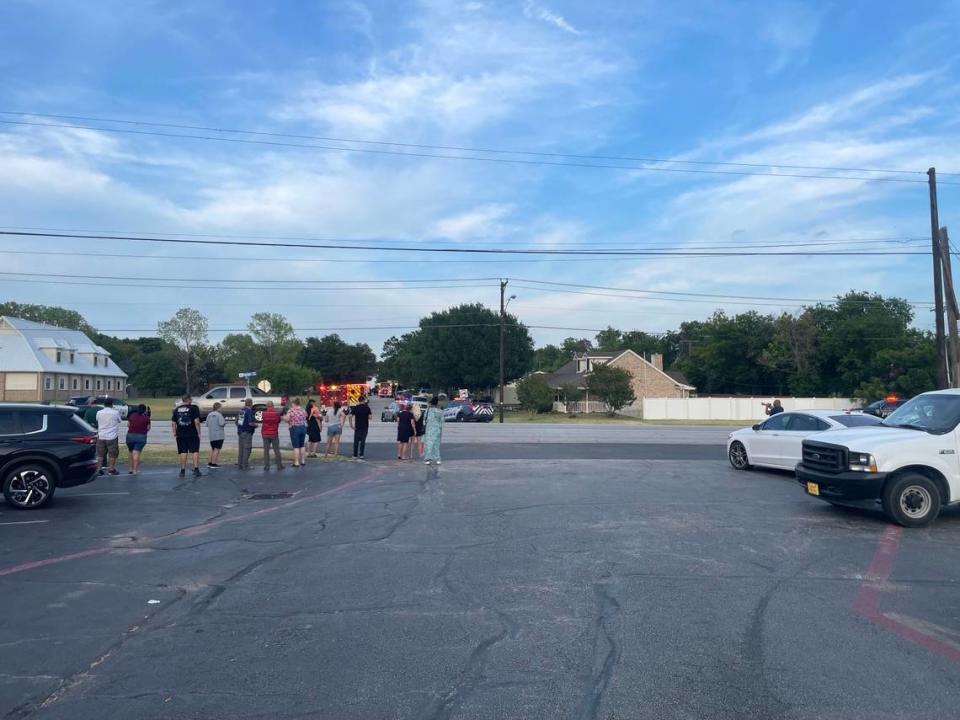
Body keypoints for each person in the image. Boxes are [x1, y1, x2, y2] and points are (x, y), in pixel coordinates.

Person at [171, 394, 202, 478]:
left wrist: (174, 432)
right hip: (192, 433)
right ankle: (196, 469)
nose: (191, 400)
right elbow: (197, 422)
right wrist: (199, 432)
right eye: (191, 399)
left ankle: (182, 471)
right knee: (195, 451)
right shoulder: (194, 408)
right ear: (188, 400)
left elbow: (173, 423)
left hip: (180, 434)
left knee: (183, 452)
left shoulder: (176, 409)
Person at [95, 398, 122, 476]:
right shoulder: (115, 412)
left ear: (104, 404)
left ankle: (98, 469)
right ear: (112, 404)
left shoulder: (99, 412)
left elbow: (97, 420)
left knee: (100, 454)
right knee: (112, 454)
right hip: (112, 436)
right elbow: (119, 420)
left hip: (101, 435)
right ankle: (111, 469)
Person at [125, 404, 150, 475]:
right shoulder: (146, 418)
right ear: (144, 410)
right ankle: (135, 470)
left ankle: (130, 468)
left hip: (130, 436)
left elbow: (128, 425)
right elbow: (148, 428)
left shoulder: (132, 416)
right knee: (136, 453)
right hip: (141, 436)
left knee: (131, 452)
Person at [260, 400, 283, 471]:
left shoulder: (263, 413)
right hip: (274, 433)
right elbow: (278, 421)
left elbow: (262, 421)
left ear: (267, 406)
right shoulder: (276, 413)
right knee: (276, 450)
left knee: (266, 451)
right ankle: (279, 465)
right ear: (273, 406)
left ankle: (267, 466)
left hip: (265, 433)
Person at [286, 398, 308, 468]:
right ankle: (303, 461)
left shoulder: (291, 410)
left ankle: (296, 462)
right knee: (302, 445)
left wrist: (284, 418)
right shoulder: (303, 410)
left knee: (296, 446)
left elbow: (287, 419)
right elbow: (306, 416)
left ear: (294, 403)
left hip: (295, 428)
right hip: (303, 427)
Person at [349, 396, 372, 460]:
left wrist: (351, 425)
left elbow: (350, 416)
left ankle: (355, 455)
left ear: (358, 400)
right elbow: (370, 417)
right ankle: (361, 455)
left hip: (357, 427)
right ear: (364, 400)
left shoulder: (356, 407)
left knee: (356, 441)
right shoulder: (367, 408)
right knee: (363, 441)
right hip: (365, 427)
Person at [423, 396, 444, 466]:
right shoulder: (440, 411)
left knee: (428, 445)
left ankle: (428, 459)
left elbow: (424, 420)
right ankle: (437, 459)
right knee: (436, 445)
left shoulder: (427, 410)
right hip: (437, 429)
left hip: (428, 430)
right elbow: (442, 421)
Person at [237, 398, 257, 470]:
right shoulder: (249, 411)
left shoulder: (242, 410)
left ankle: (240, 464)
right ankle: (245, 465)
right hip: (247, 432)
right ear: (251, 404)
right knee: (247, 449)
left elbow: (238, 422)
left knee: (241, 449)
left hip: (240, 432)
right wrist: (255, 425)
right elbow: (250, 423)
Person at [206, 402, 226, 469]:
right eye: (221, 407)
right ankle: (213, 463)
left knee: (212, 449)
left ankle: (209, 462)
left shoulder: (209, 414)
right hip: (219, 435)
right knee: (217, 449)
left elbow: (207, 424)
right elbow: (222, 423)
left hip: (211, 435)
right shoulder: (219, 414)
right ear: (218, 408)